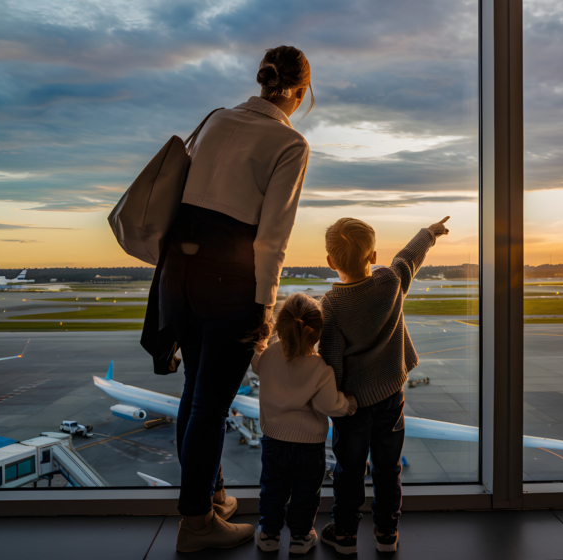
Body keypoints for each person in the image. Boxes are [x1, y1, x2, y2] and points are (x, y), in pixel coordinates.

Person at [161, 45, 314, 553]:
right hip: (228, 281)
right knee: (210, 405)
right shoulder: (289, 143)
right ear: (300, 91)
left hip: (178, 274)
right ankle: (196, 524)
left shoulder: (215, 121)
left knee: (194, 395)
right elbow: (273, 236)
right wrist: (265, 305)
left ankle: (211, 497)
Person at [317, 216, 451, 554]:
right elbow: (407, 259)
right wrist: (429, 233)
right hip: (391, 395)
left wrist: (334, 401)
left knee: (349, 470)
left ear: (330, 262)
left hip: (351, 405)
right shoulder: (389, 281)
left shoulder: (331, 305)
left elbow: (331, 360)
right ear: (373, 256)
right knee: (388, 468)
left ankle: (345, 533)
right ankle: (387, 533)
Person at [252, 292, 357, 554]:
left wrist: (262, 339)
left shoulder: (270, 356)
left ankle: (268, 535)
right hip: (309, 446)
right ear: (318, 333)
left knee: (272, 490)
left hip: (273, 441)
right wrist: (349, 404)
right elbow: (329, 406)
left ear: (281, 326)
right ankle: (300, 537)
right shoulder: (321, 368)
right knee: (306, 494)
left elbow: (256, 362)